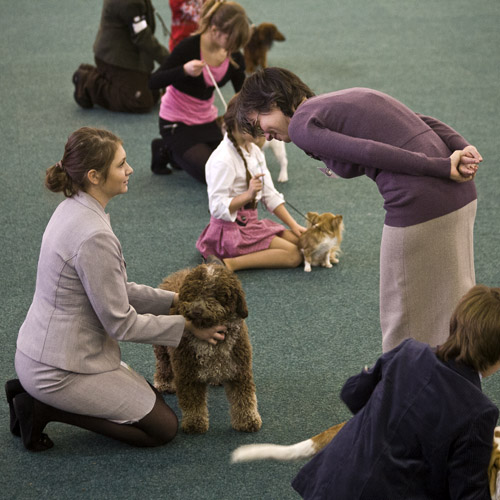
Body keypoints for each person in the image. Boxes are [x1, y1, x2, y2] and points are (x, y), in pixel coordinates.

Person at [5, 127, 226, 452]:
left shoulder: (74, 205)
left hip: (43, 351)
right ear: (94, 175)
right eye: (121, 164)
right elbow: (120, 323)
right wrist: (187, 327)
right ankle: (42, 407)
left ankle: (27, 391)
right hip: (59, 369)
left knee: (150, 398)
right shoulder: (94, 235)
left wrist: (177, 301)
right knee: (162, 428)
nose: (131, 169)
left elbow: (116, 289)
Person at [236, 67, 483, 352]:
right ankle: (456, 386)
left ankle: (401, 393)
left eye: (259, 123)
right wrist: (463, 148)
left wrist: (440, 167)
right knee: (454, 308)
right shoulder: (337, 100)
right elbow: (423, 120)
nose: (265, 136)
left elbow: (368, 152)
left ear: (273, 101)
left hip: (420, 205)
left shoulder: (302, 125)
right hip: (461, 195)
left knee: (401, 319)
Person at [292, 284, 500, 499]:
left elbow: (352, 394)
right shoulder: (480, 412)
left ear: (455, 322)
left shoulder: (408, 351)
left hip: (332, 482)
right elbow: (468, 492)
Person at [196, 96, 305, 271]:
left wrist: (294, 225)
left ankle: (237, 258)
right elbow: (216, 207)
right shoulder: (222, 159)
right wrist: (248, 195)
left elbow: (270, 194)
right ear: (237, 124)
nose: (261, 129)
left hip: (249, 224)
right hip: (230, 230)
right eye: (254, 124)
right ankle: (229, 264)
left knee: (303, 243)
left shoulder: (254, 150)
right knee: (294, 255)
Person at [148, 0, 250, 181]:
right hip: (176, 123)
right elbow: (153, 81)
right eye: (230, 41)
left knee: (235, 167)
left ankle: (180, 153)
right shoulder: (188, 48)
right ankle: (165, 148)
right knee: (213, 174)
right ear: (214, 30)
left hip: (206, 120)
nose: (233, 48)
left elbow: (243, 91)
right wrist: (183, 70)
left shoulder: (232, 53)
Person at [72, 0, 169, 113]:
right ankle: (87, 80)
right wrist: (169, 60)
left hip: (128, 54)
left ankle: (105, 76)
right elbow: (142, 37)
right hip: (115, 59)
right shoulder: (129, 3)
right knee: (140, 102)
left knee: (152, 95)